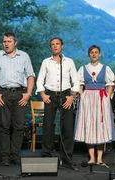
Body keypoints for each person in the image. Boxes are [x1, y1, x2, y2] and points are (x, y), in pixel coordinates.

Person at [0, 32, 35, 166]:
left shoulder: (24, 56)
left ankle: (15, 156)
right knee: (4, 126)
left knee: (19, 127)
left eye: (9, 41)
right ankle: (5, 157)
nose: (6, 44)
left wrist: (28, 93)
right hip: (3, 94)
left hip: (20, 94)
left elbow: (30, 76)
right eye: (4, 41)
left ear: (15, 42)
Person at [36, 37, 79, 169]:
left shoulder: (69, 62)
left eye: (57, 44)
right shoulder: (46, 62)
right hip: (50, 95)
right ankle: (47, 154)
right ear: (50, 47)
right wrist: (43, 94)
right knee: (48, 125)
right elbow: (39, 80)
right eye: (52, 45)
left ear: (62, 46)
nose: (55, 46)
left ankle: (67, 157)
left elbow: (76, 81)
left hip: (66, 96)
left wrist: (72, 96)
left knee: (67, 126)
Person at [74, 45, 115, 166]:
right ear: (88, 54)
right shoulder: (83, 68)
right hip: (88, 99)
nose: (94, 54)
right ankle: (92, 157)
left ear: (100, 54)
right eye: (91, 52)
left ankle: (100, 158)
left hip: (101, 99)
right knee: (89, 125)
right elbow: (79, 84)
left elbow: (110, 84)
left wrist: (107, 97)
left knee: (101, 126)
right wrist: (82, 95)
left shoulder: (105, 68)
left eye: (96, 52)